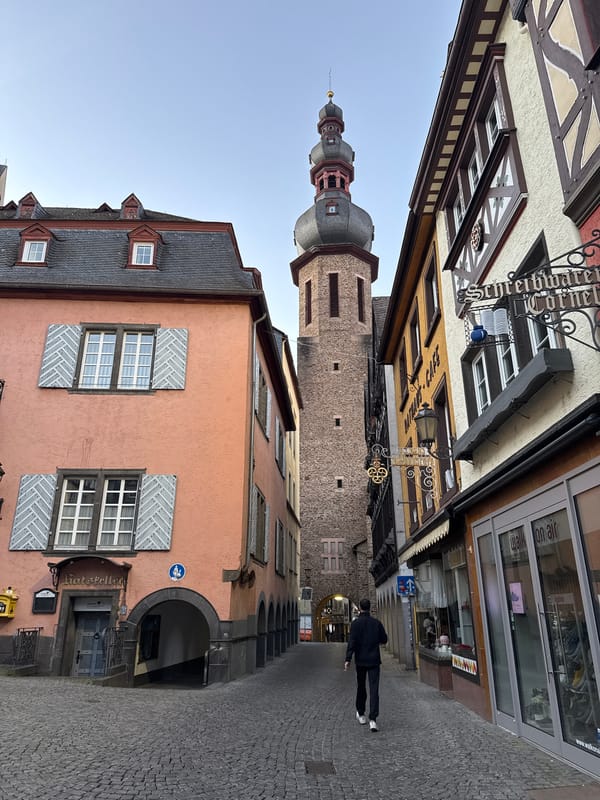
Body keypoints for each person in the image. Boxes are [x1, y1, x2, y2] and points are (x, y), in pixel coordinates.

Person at [344, 598, 388, 732]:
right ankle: (373, 720)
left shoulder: (355, 624)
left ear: (360, 609)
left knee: (361, 686)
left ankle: (361, 713)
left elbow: (352, 641)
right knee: (374, 689)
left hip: (361, 660)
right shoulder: (376, 623)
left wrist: (348, 659)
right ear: (369, 608)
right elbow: (384, 639)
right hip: (374, 660)